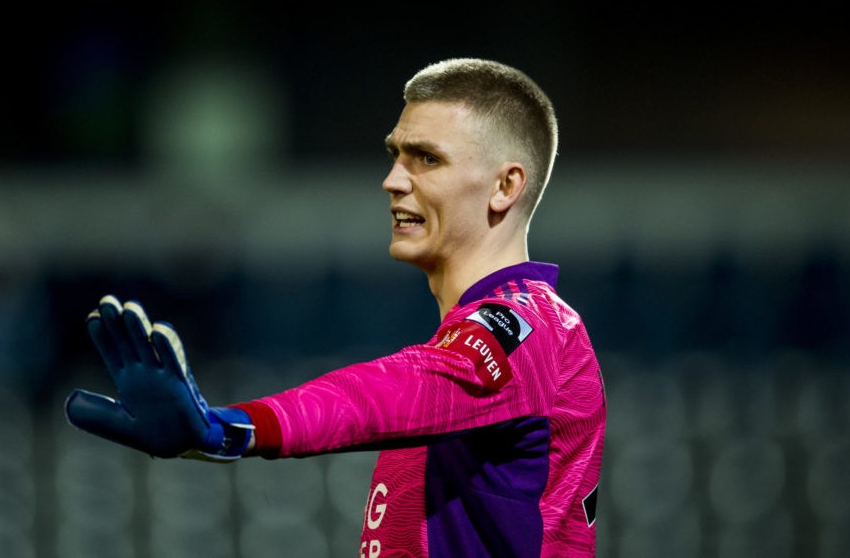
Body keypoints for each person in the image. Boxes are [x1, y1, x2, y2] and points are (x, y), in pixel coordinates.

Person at [66, 58, 607, 557]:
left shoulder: (533, 327)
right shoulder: (495, 331)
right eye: (395, 154)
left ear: (505, 186)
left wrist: (227, 428)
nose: (393, 180)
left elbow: (400, 390)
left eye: (426, 158)